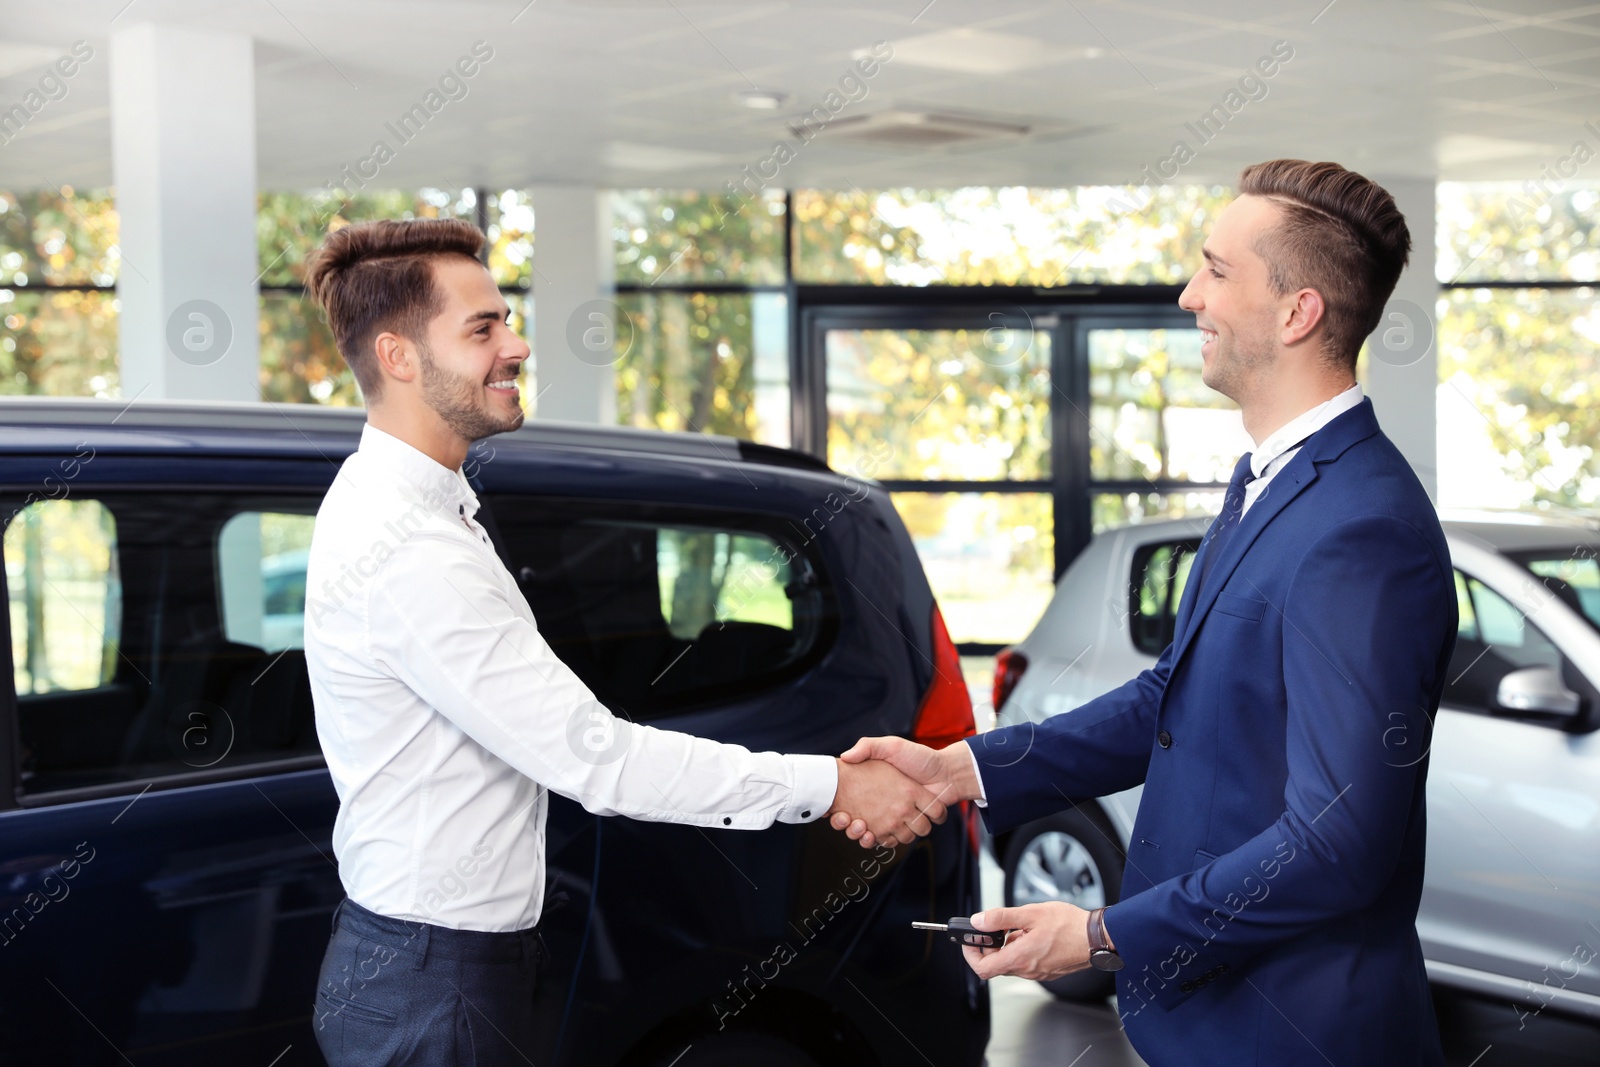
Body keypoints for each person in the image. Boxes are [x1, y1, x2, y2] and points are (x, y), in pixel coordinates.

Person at [836, 160, 1457, 1066]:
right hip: (1208, 1020)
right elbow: (1173, 698)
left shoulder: (1363, 528)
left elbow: (1336, 844)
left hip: (1294, 1033)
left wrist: (1099, 933)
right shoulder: (1268, 479)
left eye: (1216, 268)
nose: (1187, 293)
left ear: (1298, 312)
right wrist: (958, 769)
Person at [300, 217, 945, 1067]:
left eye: (508, 318)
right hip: (437, 978)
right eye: (483, 327)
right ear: (398, 357)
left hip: (436, 963)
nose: (518, 345)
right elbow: (594, 759)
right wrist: (828, 785)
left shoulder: (415, 504)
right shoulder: (412, 549)